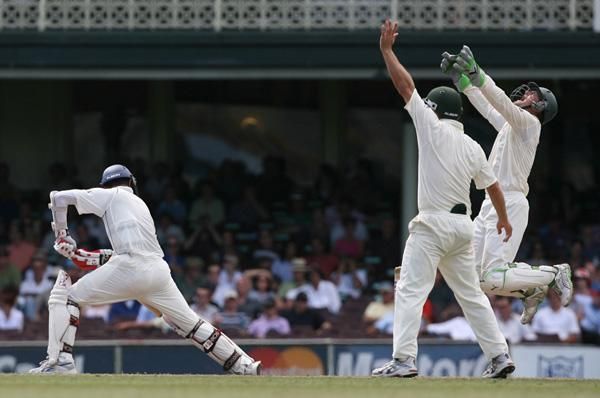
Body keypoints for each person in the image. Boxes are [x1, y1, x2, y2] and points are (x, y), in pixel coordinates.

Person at [372, 21, 515, 379]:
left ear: (434, 109)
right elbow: (494, 186)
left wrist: (388, 51)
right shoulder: (472, 145)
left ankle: (403, 361)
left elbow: (405, 86)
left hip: (433, 225)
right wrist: (503, 218)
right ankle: (499, 356)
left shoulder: (431, 127)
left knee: (409, 291)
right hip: (462, 229)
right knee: (472, 297)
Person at [29, 164, 260, 375]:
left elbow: (58, 198)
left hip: (132, 267)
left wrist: (62, 234)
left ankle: (60, 362)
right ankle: (245, 366)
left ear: (106, 185)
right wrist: (76, 254)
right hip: (157, 271)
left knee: (66, 297)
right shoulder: (140, 205)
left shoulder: (111, 195)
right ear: (131, 182)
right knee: (191, 323)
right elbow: (114, 257)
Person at [441, 45, 572, 324]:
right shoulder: (512, 126)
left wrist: (478, 74)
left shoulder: (530, 126)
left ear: (540, 107)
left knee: (493, 275)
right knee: (475, 279)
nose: (524, 95)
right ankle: (531, 289)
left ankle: (554, 273)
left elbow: (499, 100)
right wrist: (464, 84)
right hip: (491, 203)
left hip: (510, 202)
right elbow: (490, 108)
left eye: (531, 95)